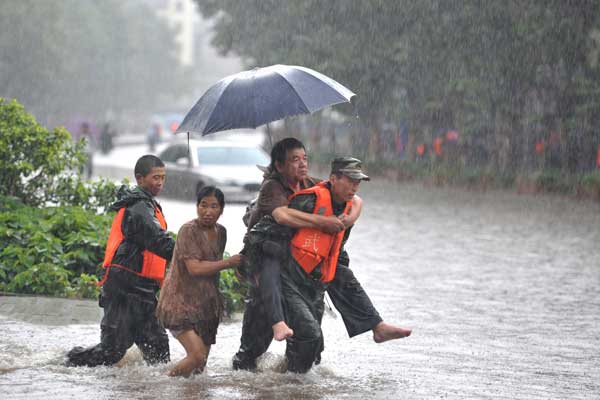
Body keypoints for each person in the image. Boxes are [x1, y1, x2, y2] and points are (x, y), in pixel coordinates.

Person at [232, 138, 411, 371]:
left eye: (304, 158)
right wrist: (324, 222)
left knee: (336, 274)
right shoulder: (271, 187)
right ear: (279, 166)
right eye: (294, 160)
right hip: (266, 258)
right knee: (251, 352)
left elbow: (354, 199)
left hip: (298, 266)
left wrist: (349, 219)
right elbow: (283, 217)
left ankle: (375, 324)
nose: (302, 164)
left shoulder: (309, 185)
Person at [66, 155, 175, 367]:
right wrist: (190, 256)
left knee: (158, 350)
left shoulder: (147, 204)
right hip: (124, 287)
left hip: (143, 287)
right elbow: (160, 241)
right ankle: (68, 361)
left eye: (163, 177)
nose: (160, 182)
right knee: (111, 351)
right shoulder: (138, 208)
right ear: (140, 179)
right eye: (155, 178)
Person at [281, 156, 372, 372]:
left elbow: (357, 204)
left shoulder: (347, 207)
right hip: (290, 280)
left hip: (316, 284)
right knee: (307, 335)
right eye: (350, 180)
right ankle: (286, 385)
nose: (354, 187)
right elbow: (279, 222)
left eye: (357, 182)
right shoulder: (310, 200)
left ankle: (292, 387)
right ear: (333, 179)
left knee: (314, 349)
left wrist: (350, 219)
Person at [155, 186, 243, 377]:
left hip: (206, 305)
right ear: (196, 206)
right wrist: (228, 262)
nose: (208, 212)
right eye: (203, 205)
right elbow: (194, 268)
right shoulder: (188, 230)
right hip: (180, 302)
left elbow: (215, 266)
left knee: (199, 370)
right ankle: (161, 385)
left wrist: (239, 268)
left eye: (214, 206)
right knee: (196, 357)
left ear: (221, 210)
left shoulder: (222, 232)